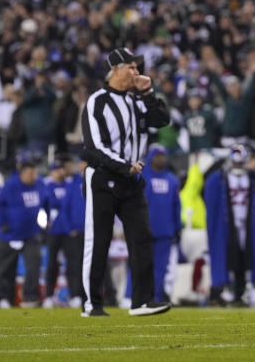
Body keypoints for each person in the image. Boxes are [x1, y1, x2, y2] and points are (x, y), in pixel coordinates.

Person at [80, 48, 172, 317]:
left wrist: (148, 93)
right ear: (115, 70)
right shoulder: (97, 101)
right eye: (131, 67)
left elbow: (161, 120)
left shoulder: (137, 100)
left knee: (142, 238)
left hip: (132, 180)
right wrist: (123, 166)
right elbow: (94, 146)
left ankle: (142, 301)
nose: (136, 72)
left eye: (136, 67)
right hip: (104, 178)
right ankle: (92, 303)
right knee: (98, 241)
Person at [205, 145, 255, 307]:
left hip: (248, 222)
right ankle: (230, 288)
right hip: (230, 223)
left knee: (250, 254)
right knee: (230, 254)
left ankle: (251, 288)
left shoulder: (254, 178)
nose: (238, 166)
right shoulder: (220, 178)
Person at [0, 154, 44, 309]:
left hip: (31, 233)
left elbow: (45, 202)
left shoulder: (40, 184)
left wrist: (47, 219)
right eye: (30, 173)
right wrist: (1, 223)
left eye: (34, 172)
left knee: (34, 265)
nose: (33, 176)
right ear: (22, 173)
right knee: (2, 268)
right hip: (9, 235)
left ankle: (30, 297)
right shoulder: (11, 186)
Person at [141, 145, 183, 304]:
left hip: (165, 230)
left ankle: (156, 297)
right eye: (158, 155)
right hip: (144, 229)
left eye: (163, 155)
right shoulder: (142, 177)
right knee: (139, 265)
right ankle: (131, 296)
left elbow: (176, 206)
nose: (161, 158)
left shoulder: (172, 180)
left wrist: (178, 227)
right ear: (151, 156)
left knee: (160, 268)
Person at [42, 160, 84, 308]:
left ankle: (75, 295)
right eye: (56, 169)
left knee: (73, 264)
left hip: (68, 231)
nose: (59, 172)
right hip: (53, 231)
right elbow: (41, 208)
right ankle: (48, 296)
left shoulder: (70, 184)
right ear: (51, 172)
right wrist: (44, 223)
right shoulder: (46, 186)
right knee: (52, 265)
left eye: (60, 168)